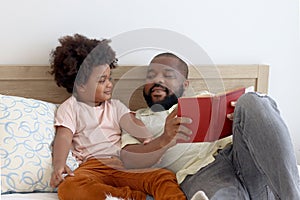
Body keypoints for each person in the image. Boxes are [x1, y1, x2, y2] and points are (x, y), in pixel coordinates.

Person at [120, 52, 300, 199]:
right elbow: (128, 160)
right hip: (200, 173)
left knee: (252, 101)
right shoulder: (136, 120)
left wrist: (240, 114)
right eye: (151, 76)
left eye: (168, 75)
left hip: (244, 158)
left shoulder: (205, 98)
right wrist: (165, 139)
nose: (157, 81)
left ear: (185, 84)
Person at [49, 34, 187, 200]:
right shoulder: (70, 107)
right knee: (69, 187)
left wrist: (147, 138)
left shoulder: (115, 106)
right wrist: (59, 164)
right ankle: (129, 197)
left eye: (110, 78)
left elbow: (132, 121)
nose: (109, 84)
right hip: (92, 167)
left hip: (122, 164)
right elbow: (63, 137)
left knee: (163, 177)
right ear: (81, 84)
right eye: (102, 80)